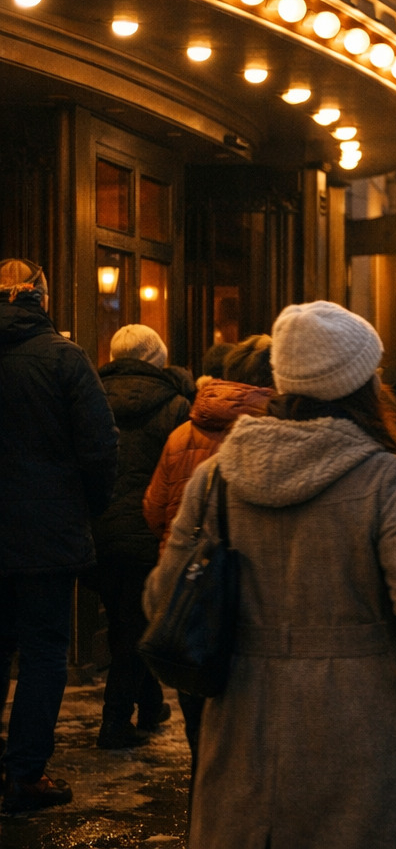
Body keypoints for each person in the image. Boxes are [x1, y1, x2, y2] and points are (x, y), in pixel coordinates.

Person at [144, 301, 396, 848]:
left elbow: (162, 597)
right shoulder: (382, 479)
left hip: (243, 729)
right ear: (356, 385)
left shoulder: (216, 478)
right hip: (362, 735)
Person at [0, 260, 118, 813]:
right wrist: (86, 507)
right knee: (46, 652)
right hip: (47, 535)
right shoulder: (63, 359)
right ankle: (24, 775)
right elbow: (99, 445)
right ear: (40, 298)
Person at [141, 333, 274, 785]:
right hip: (249, 602)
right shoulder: (274, 434)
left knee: (202, 732)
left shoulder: (184, 431)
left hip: (189, 595)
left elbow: (155, 508)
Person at [90, 324, 193, 749]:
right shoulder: (175, 405)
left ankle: (150, 707)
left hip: (98, 528)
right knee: (136, 625)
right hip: (148, 528)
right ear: (157, 358)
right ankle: (114, 722)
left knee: (125, 621)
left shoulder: (90, 395)